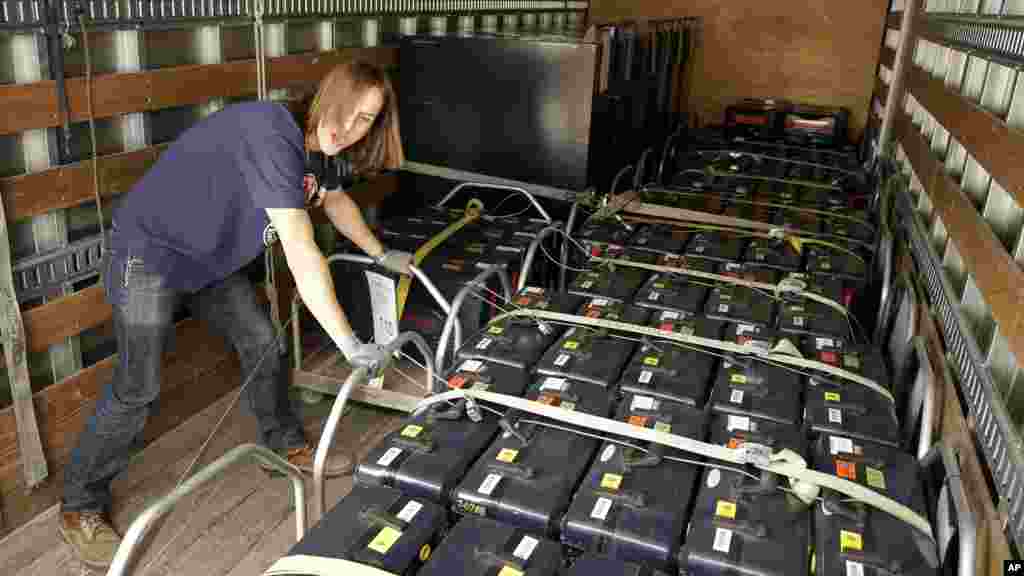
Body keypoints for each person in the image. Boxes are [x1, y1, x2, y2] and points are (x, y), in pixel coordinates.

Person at [57, 60, 413, 569]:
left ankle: (285, 445)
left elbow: (336, 204)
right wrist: (349, 343)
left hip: (211, 262)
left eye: (366, 120)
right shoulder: (271, 132)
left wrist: (380, 253)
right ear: (324, 98)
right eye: (346, 113)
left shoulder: (324, 153)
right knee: (139, 386)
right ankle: (79, 506)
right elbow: (300, 246)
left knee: (262, 339)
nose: (350, 128)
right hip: (149, 255)